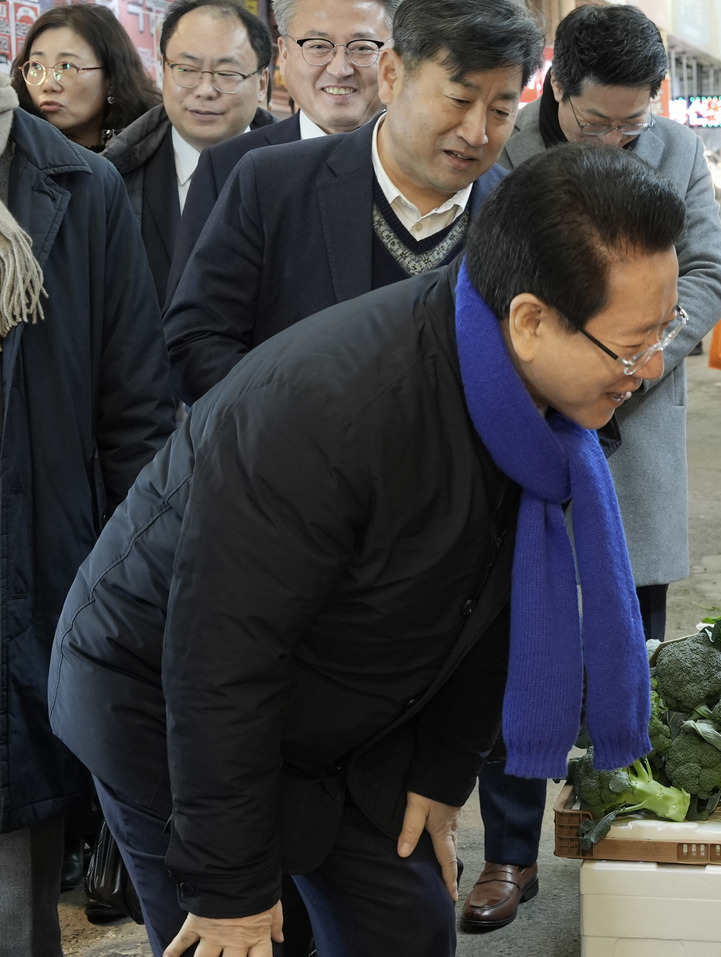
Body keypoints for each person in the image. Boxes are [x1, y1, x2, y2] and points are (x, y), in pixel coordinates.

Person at [51, 142, 679, 957]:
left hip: (342, 695)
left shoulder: (524, 409)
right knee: (247, 939)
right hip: (166, 703)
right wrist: (234, 888)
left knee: (406, 929)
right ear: (530, 320)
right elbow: (219, 657)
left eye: (666, 331)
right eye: (631, 346)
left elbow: (489, 595)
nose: (652, 366)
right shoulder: (329, 410)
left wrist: (441, 772)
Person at [463, 3, 721, 932]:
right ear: (556, 91)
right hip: (525, 426)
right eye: (597, 122)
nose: (620, 139)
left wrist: (647, 354)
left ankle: (621, 833)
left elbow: (707, 272)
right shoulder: (499, 157)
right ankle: (506, 852)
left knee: (632, 641)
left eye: (634, 122)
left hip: (635, 421)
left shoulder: (677, 154)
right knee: (514, 637)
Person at [164, 0, 543, 405]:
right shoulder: (270, 182)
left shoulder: (526, 217)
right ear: (391, 75)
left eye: (501, 111)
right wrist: (302, 427)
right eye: (458, 101)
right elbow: (195, 343)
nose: (476, 133)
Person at [0, 75, 174, 957]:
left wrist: (128, 587)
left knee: (13, 878)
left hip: (29, 567)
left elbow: (135, 407)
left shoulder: (75, 182)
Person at [172, 0, 397, 287]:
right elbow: (195, 319)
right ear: (284, 54)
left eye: (363, 47)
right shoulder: (227, 166)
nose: (340, 68)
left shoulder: (432, 163)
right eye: (317, 45)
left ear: (394, 59)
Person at [103, 0, 275, 307]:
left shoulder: (296, 173)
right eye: (186, 69)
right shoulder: (112, 176)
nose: (205, 89)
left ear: (262, 84)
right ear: (163, 71)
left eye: (227, 73)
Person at [12, 4, 159, 150]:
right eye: (36, 66)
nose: (48, 85)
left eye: (66, 67)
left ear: (111, 78)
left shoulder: (154, 146)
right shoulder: (12, 151)